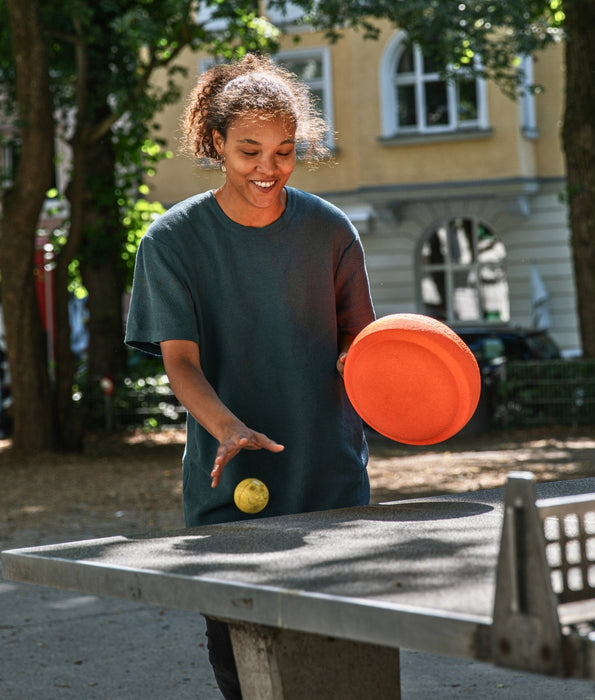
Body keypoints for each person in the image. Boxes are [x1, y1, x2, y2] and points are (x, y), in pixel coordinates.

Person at [125, 54, 375, 699]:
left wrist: (382, 375)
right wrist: (229, 429)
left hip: (332, 481)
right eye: (249, 150)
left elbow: (362, 345)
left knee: (348, 677)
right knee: (251, 682)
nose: (269, 167)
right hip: (228, 487)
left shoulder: (330, 231)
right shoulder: (171, 241)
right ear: (215, 144)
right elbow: (181, 362)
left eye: (285, 150)